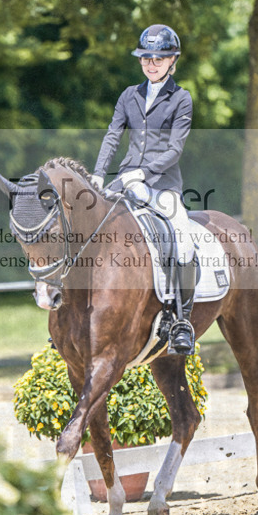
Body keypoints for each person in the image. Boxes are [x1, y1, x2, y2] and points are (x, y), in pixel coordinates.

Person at [91, 23, 200, 354]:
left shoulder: (181, 99)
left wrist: (143, 172)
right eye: (146, 58)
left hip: (162, 185)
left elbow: (175, 150)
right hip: (124, 181)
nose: (151, 64)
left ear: (172, 61)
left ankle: (181, 320)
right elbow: (113, 135)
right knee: (90, 230)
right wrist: (98, 174)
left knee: (181, 240)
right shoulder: (129, 95)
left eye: (159, 58)